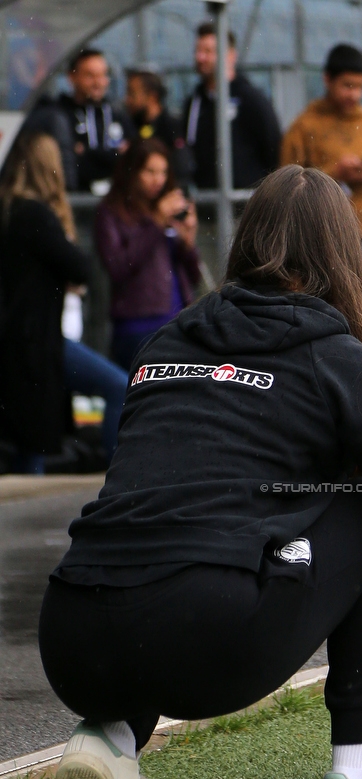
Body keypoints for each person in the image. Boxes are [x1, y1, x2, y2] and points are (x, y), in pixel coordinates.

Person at [39, 166, 362, 779]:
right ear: (342, 254)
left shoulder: (166, 341)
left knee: (163, 550)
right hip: (205, 639)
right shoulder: (336, 354)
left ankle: (109, 739)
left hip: (70, 637)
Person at [0, 132, 128, 473]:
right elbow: (79, 266)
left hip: (26, 340)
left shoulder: (11, 212)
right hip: (39, 342)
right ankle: (119, 474)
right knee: (118, 385)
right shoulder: (35, 215)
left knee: (29, 450)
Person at [281, 44, 362, 274]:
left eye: (360, 87)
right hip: (324, 234)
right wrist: (335, 173)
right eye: (347, 85)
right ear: (327, 80)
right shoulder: (306, 125)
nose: (354, 94)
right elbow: (286, 183)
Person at [95, 138, 201, 370]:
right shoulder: (111, 212)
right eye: (150, 171)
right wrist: (156, 222)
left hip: (177, 321)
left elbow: (194, 277)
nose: (158, 180)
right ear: (133, 171)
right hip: (136, 326)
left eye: (163, 172)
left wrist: (188, 243)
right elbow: (118, 267)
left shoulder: (169, 207)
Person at [183, 23, 281, 189]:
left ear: (230, 56)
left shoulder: (251, 100)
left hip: (246, 204)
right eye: (198, 51)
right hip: (206, 203)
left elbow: (273, 148)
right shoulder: (194, 103)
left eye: (208, 51)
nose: (200, 58)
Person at [57, 49, 135, 192]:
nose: (98, 83)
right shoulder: (61, 115)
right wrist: (112, 154)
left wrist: (85, 151)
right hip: (76, 199)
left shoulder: (117, 115)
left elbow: (131, 158)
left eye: (103, 75)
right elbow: (70, 163)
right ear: (72, 77)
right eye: (90, 76)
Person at [124, 70, 193, 184]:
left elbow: (182, 167)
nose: (127, 100)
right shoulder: (130, 126)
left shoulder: (171, 128)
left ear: (152, 97)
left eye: (132, 93)